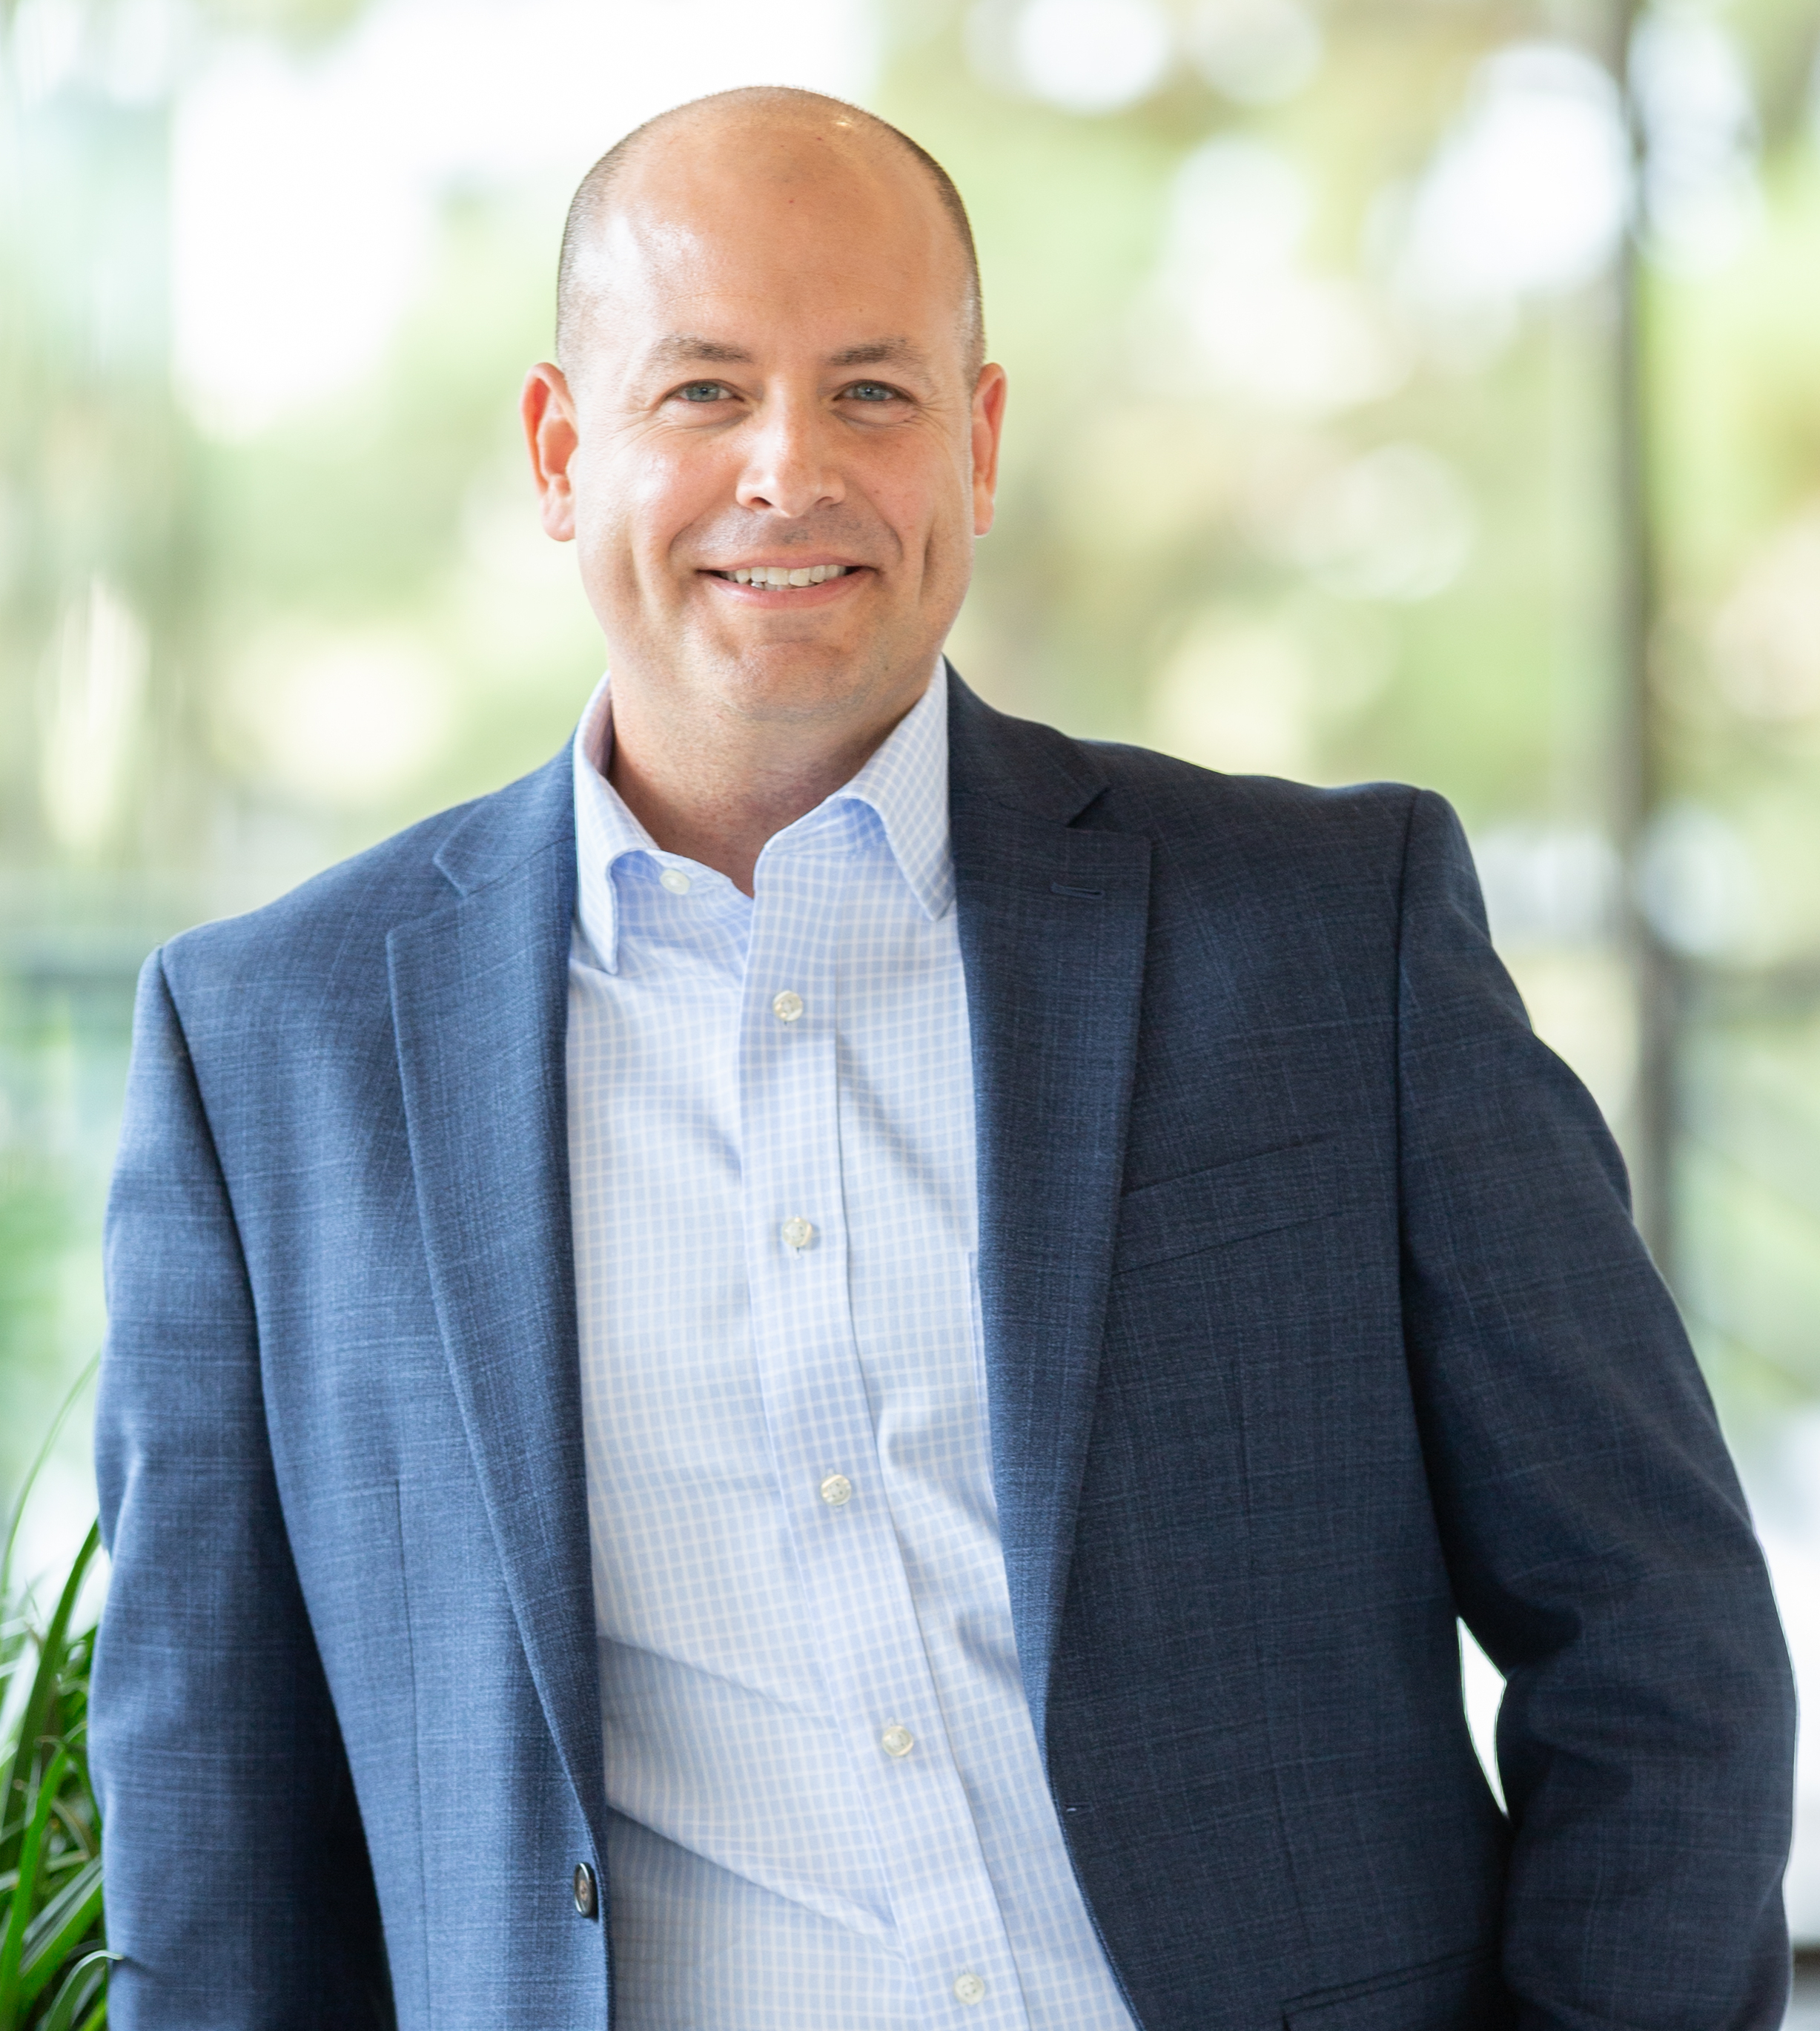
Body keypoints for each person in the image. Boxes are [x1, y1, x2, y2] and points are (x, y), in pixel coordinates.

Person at [91, 86, 1794, 2031]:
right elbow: (218, 1840)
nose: (791, 468)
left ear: (976, 447)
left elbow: (1657, 1638)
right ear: (563, 452)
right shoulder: (268, 1055)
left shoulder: (1336, 934)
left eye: (873, 392)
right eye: (704, 391)